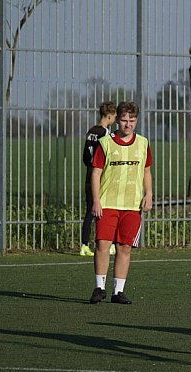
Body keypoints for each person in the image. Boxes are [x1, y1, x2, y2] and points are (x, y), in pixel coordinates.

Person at [88, 101, 153, 304]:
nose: (128, 124)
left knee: (125, 247)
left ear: (136, 121)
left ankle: (118, 291)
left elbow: (146, 171)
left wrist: (149, 193)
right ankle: (99, 287)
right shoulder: (105, 143)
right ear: (117, 119)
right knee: (103, 244)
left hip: (132, 205)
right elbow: (96, 173)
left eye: (132, 120)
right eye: (124, 120)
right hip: (107, 203)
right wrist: (96, 201)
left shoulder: (143, 143)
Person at [80, 101, 117, 257]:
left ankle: (84, 245)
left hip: (89, 174)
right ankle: (106, 244)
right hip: (100, 176)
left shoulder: (91, 131)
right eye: (115, 116)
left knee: (90, 211)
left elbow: (85, 156)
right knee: (105, 211)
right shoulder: (106, 133)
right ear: (109, 116)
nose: (115, 119)